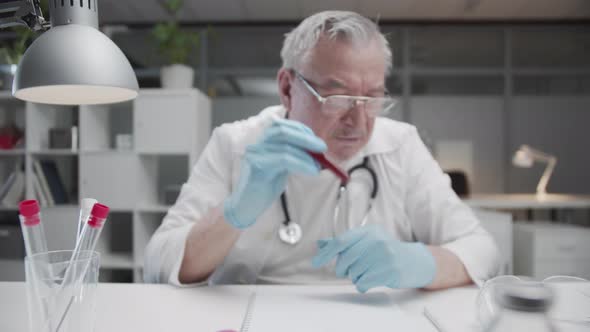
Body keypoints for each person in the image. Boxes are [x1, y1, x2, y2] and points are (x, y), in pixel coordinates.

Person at [144, 10, 501, 292]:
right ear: (287, 88)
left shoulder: (401, 146)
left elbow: (483, 250)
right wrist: (235, 212)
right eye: (338, 97)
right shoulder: (236, 145)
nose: (358, 121)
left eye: (372, 98)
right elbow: (159, 264)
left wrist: (422, 262)